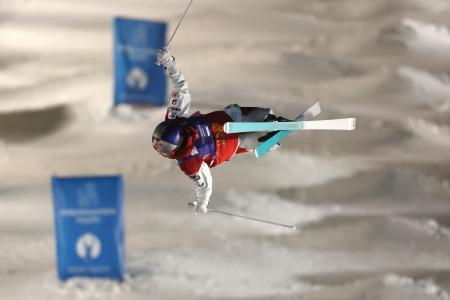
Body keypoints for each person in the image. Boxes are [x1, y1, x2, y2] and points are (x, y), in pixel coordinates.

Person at [152, 48, 286, 214]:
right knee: (255, 140)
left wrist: (169, 63)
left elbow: (181, 88)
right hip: (230, 144)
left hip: (229, 119)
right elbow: (204, 183)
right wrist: (202, 203)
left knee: (265, 113)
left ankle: (271, 123)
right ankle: (271, 138)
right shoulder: (188, 163)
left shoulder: (174, 117)